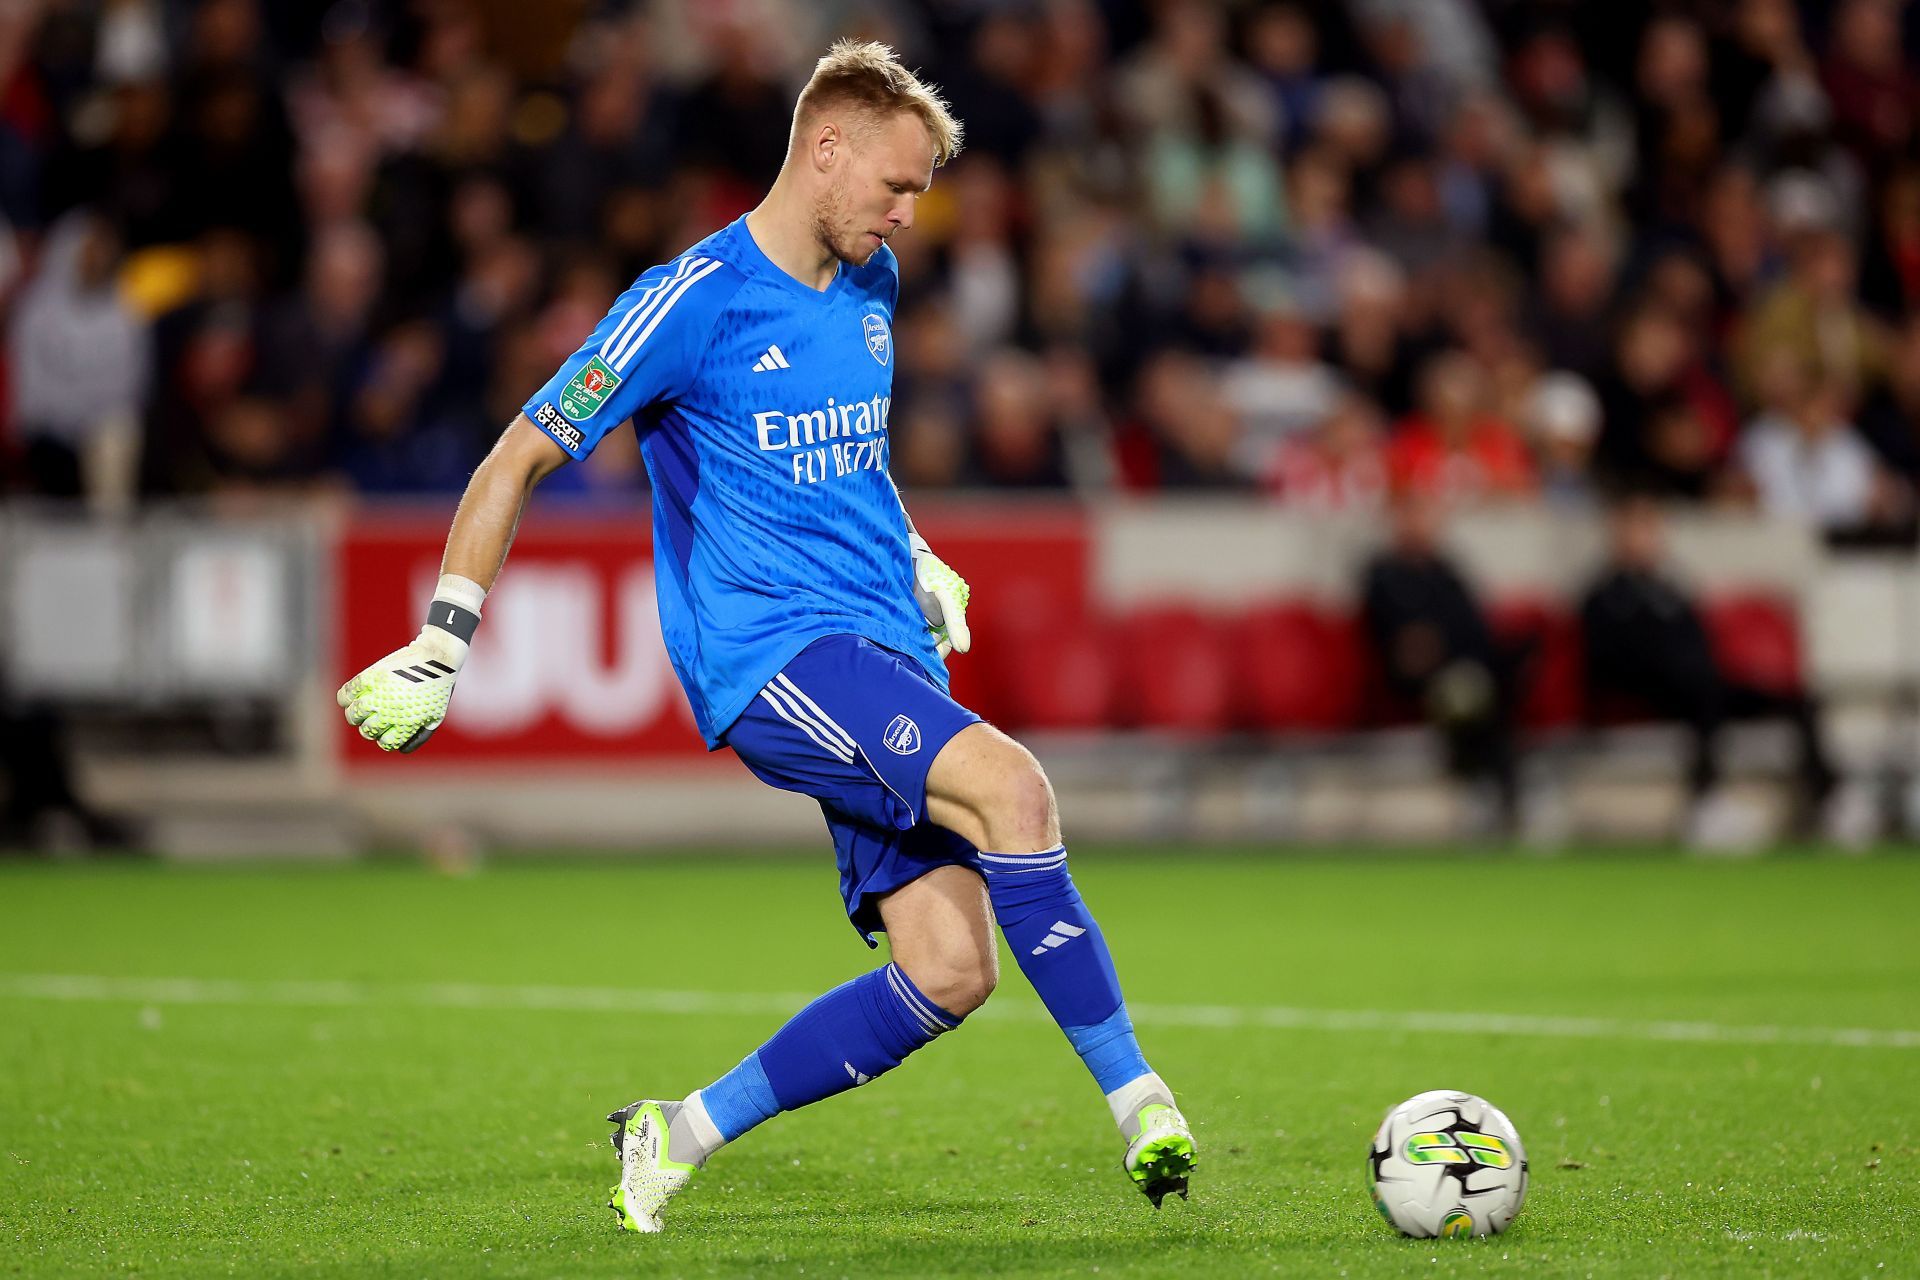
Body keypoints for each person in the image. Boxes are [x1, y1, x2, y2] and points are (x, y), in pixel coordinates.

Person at [334, 42, 1194, 1234]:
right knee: (1016, 790)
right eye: (895, 186)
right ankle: (1143, 1103)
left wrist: (919, 553)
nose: (906, 216)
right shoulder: (692, 301)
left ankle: (674, 1130)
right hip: (775, 656)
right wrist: (446, 637)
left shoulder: (872, 283)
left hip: (884, 646)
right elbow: (518, 453)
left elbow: (854, 459)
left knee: (951, 968)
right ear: (825, 148)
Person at [1579, 495, 1852, 844]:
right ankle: (1705, 802)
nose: (1642, 538)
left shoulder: (1672, 589)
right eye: (1633, 529)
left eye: (1648, 528)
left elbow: (1701, 642)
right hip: (1645, 694)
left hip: (1698, 685)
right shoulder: (1603, 596)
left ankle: (1829, 797)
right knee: (1702, 692)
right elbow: (1605, 662)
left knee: (1797, 699)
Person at [1359, 487, 1526, 831]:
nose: (1421, 524)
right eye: (1413, 514)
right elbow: (1394, 637)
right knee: (1467, 696)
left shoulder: (1448, 571)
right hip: (1410, 682)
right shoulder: (1383, 573)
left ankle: (1493, 787)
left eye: (1428, 515)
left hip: (1461, 671)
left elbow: (1474, 628)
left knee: (1486, 686)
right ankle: (1484, 787)